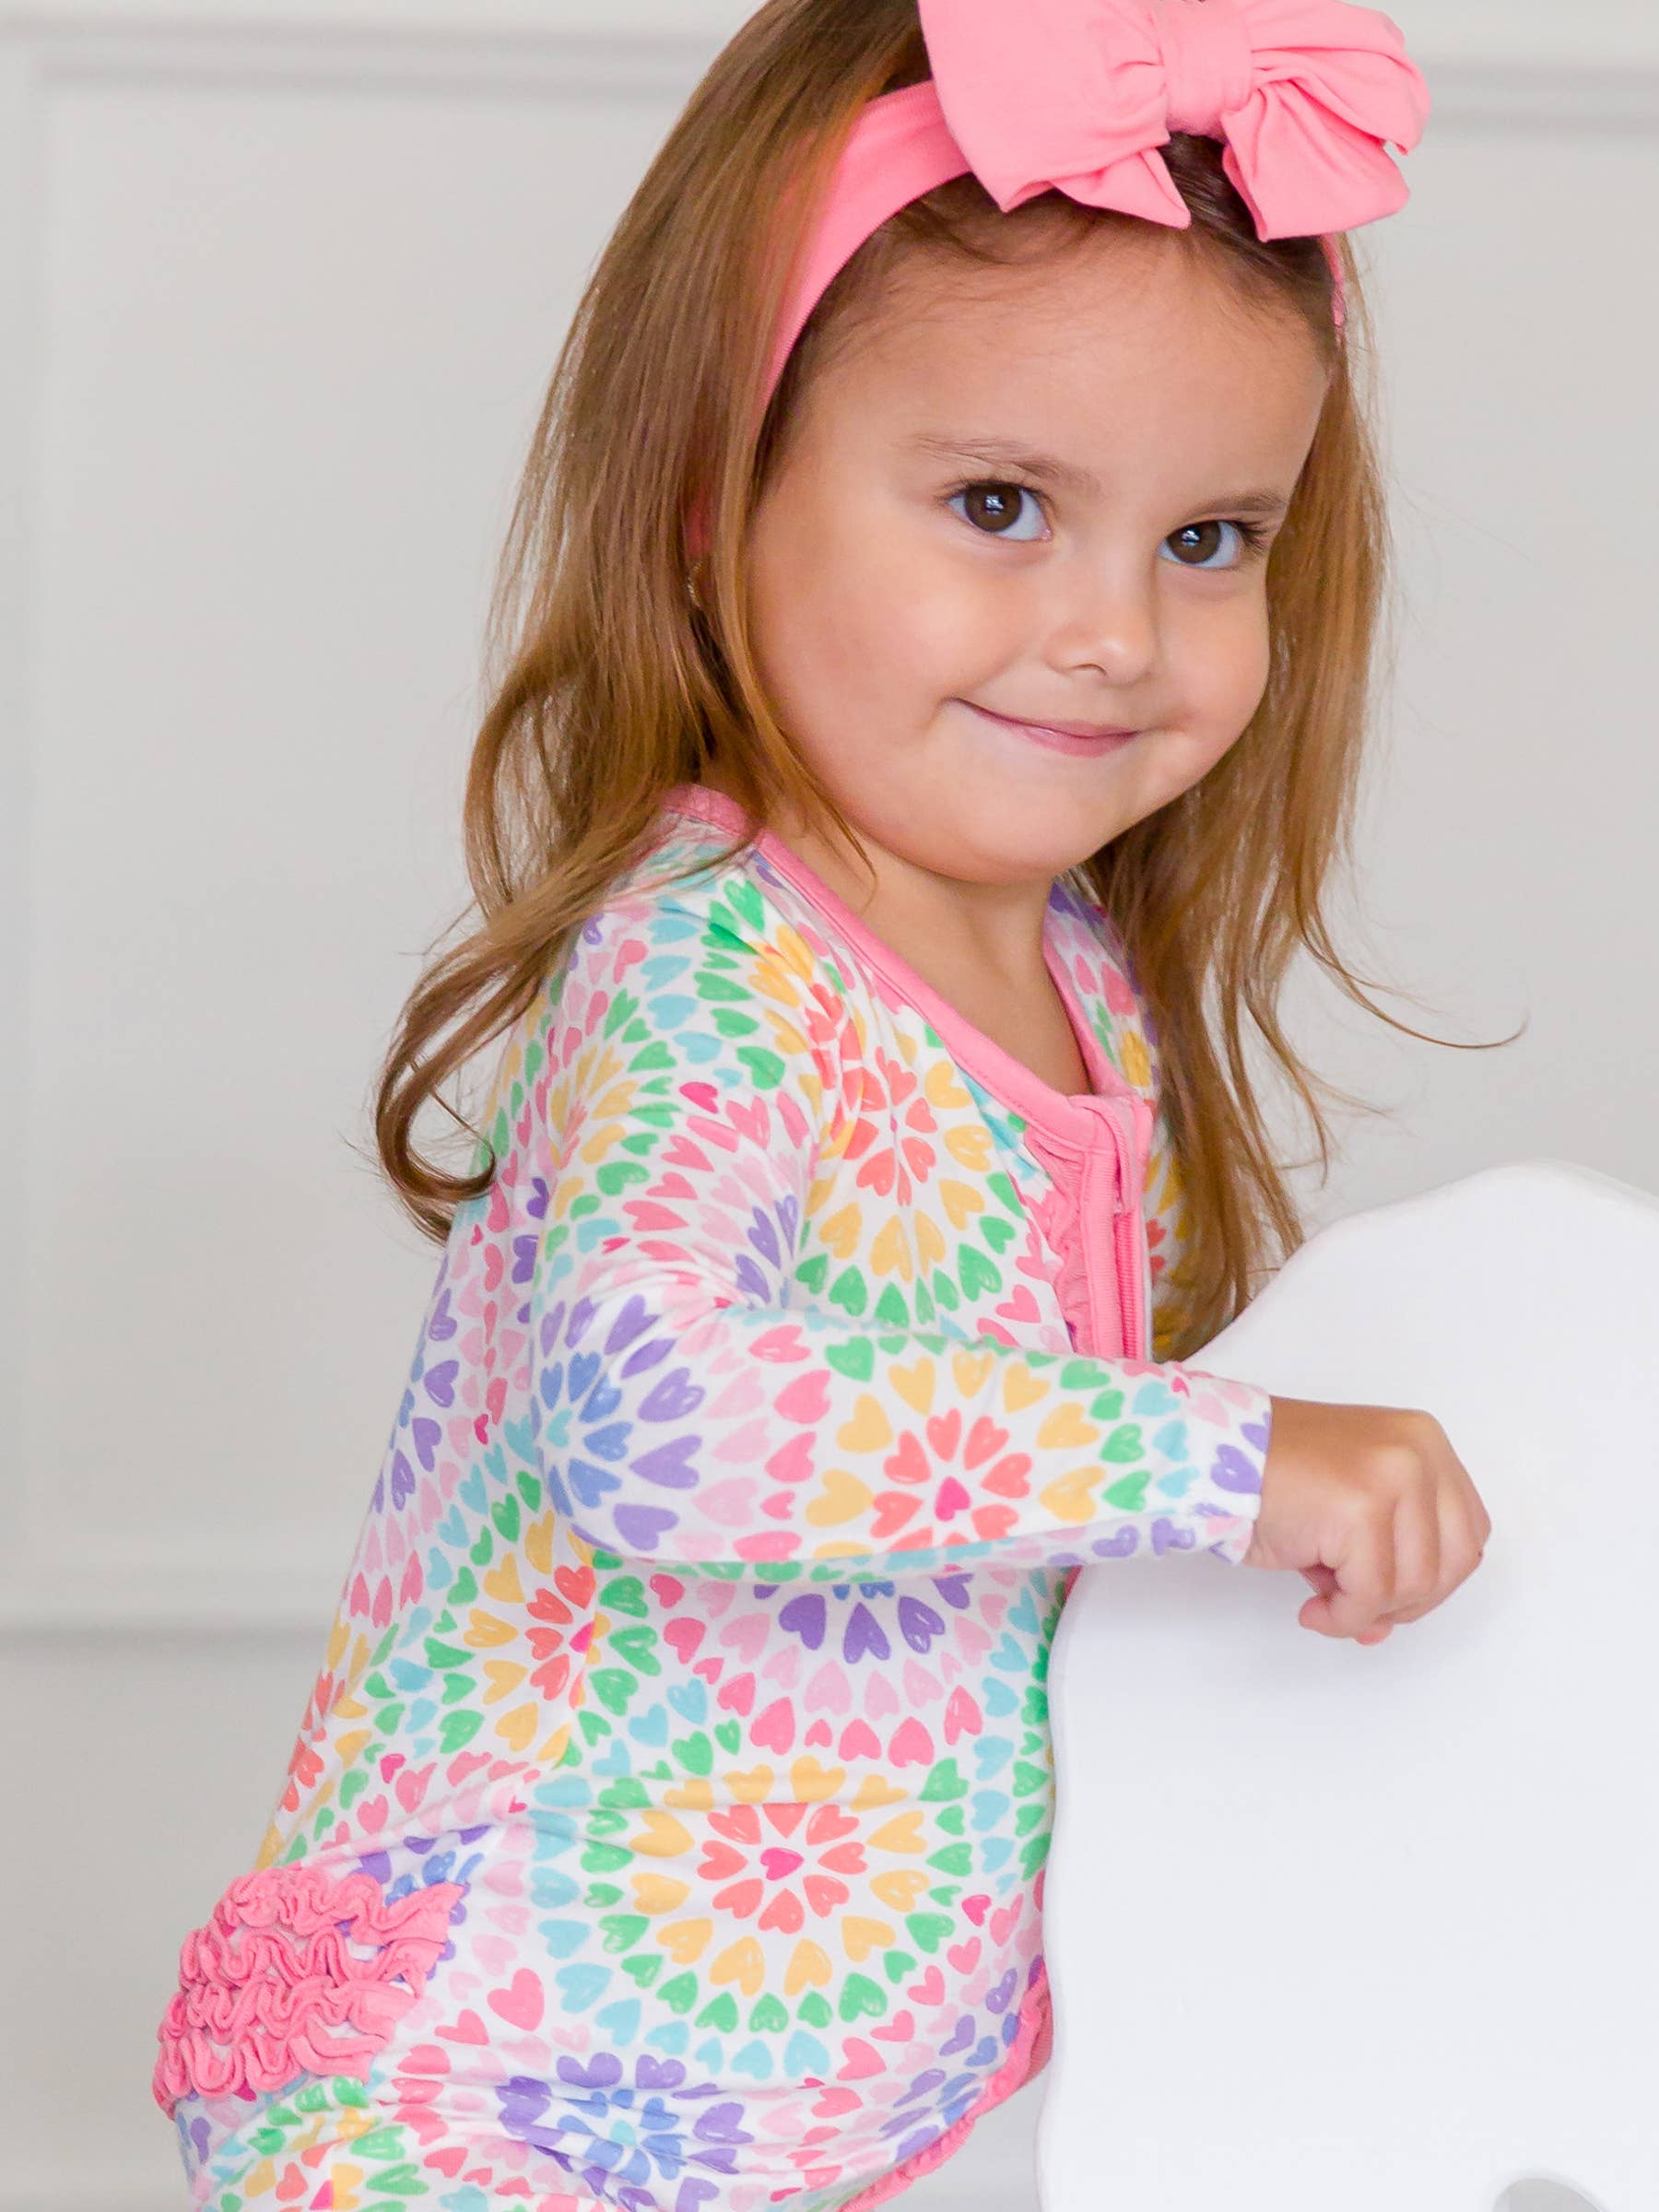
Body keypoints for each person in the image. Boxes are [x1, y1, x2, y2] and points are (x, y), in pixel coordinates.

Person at [151, 1, 1497, 2206]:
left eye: (1208, 539)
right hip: (478, 2099)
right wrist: (1227, 1461)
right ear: (717, 509)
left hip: (778, 2119)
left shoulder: (1085, 983)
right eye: (1000, 506)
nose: (1114, 633)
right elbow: (656, 1410)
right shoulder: (714, 961)